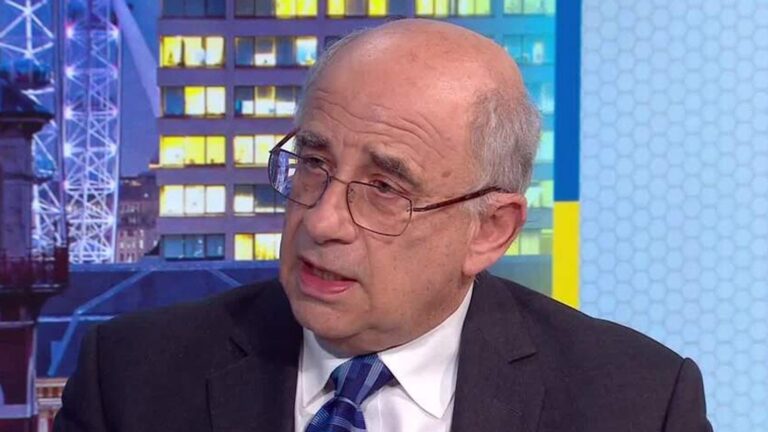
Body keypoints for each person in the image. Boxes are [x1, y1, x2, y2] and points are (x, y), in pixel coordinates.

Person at [54, 19, 712, 432]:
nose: (322, 220)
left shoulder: (638, 403)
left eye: (385, 189)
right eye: (313, 164)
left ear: (489, 230)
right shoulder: (130, 378)